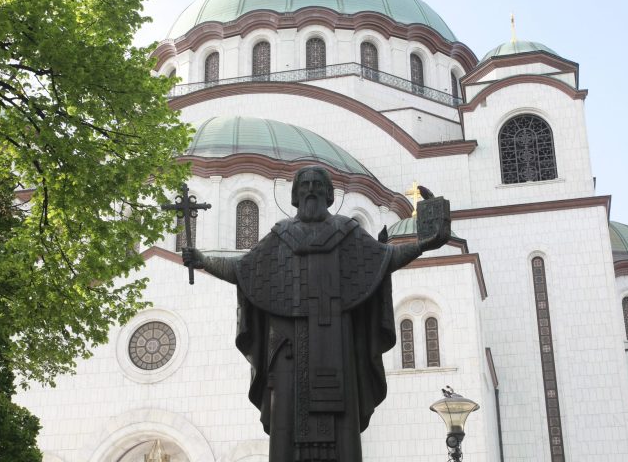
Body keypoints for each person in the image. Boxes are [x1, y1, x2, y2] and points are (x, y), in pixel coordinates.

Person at [182, 165, 450, 462]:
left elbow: (385, 259)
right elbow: (244, 270)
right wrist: (204, 260)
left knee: (342, 422)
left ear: (328, 194)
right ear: (295, 195)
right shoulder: (280, 236)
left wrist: (423, 243)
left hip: (338, 344)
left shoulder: (348, 232)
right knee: (285, 417)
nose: (311, 189)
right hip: (286, 347)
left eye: (317, 185)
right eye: (305, 185)